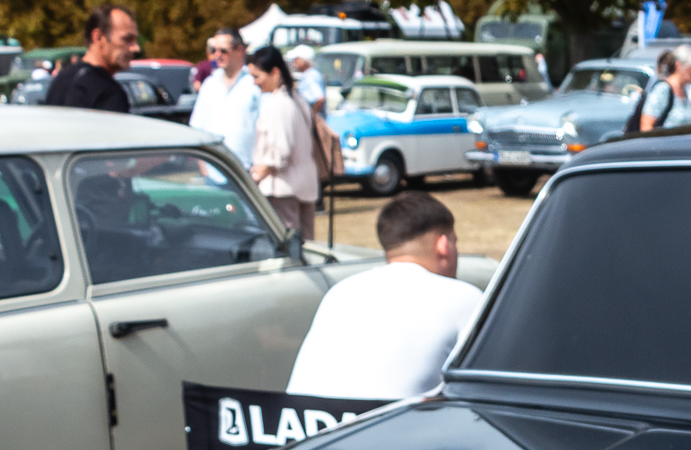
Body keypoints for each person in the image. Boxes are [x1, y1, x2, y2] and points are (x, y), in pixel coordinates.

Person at [287, 192, 482, 401]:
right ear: (443, 245)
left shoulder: (340, 292)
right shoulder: (464, 298)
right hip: (390, 429)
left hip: (304, 426)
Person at [247, 46, 318, 237]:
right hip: (304, 185)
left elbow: (279, 153)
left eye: (257, 76)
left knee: (289, 248)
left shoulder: (279, 104)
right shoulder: (297, 99)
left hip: (283, 189)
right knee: (308, 245)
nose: (255, 83)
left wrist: (257, 174)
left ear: (275, 72)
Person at [44, 5, 139, 112]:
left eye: (135, 40)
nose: (136, 48)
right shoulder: (108, 93)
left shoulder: (61, 80)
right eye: (127, 39)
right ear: (98, 37)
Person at [190, 29, 261, 168]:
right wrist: (202, 164)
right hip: (213, 172)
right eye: (213, 50)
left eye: (223, 50)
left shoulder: (255, 84)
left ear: (240, 50)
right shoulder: (209, 84)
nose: (217, 55)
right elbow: (197, 127)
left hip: (246, 171)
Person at [639, 44, 691, 131]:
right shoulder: (663, 90)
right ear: (679, 65)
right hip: (664, 143)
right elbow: (646, 126)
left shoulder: (686, 90)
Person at [287, 44, 326, 116]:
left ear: (303, 60)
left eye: (296, 59)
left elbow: (320, 98)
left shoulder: (311, 76)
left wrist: (313, 115)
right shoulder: (309, 75)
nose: (294, 62)